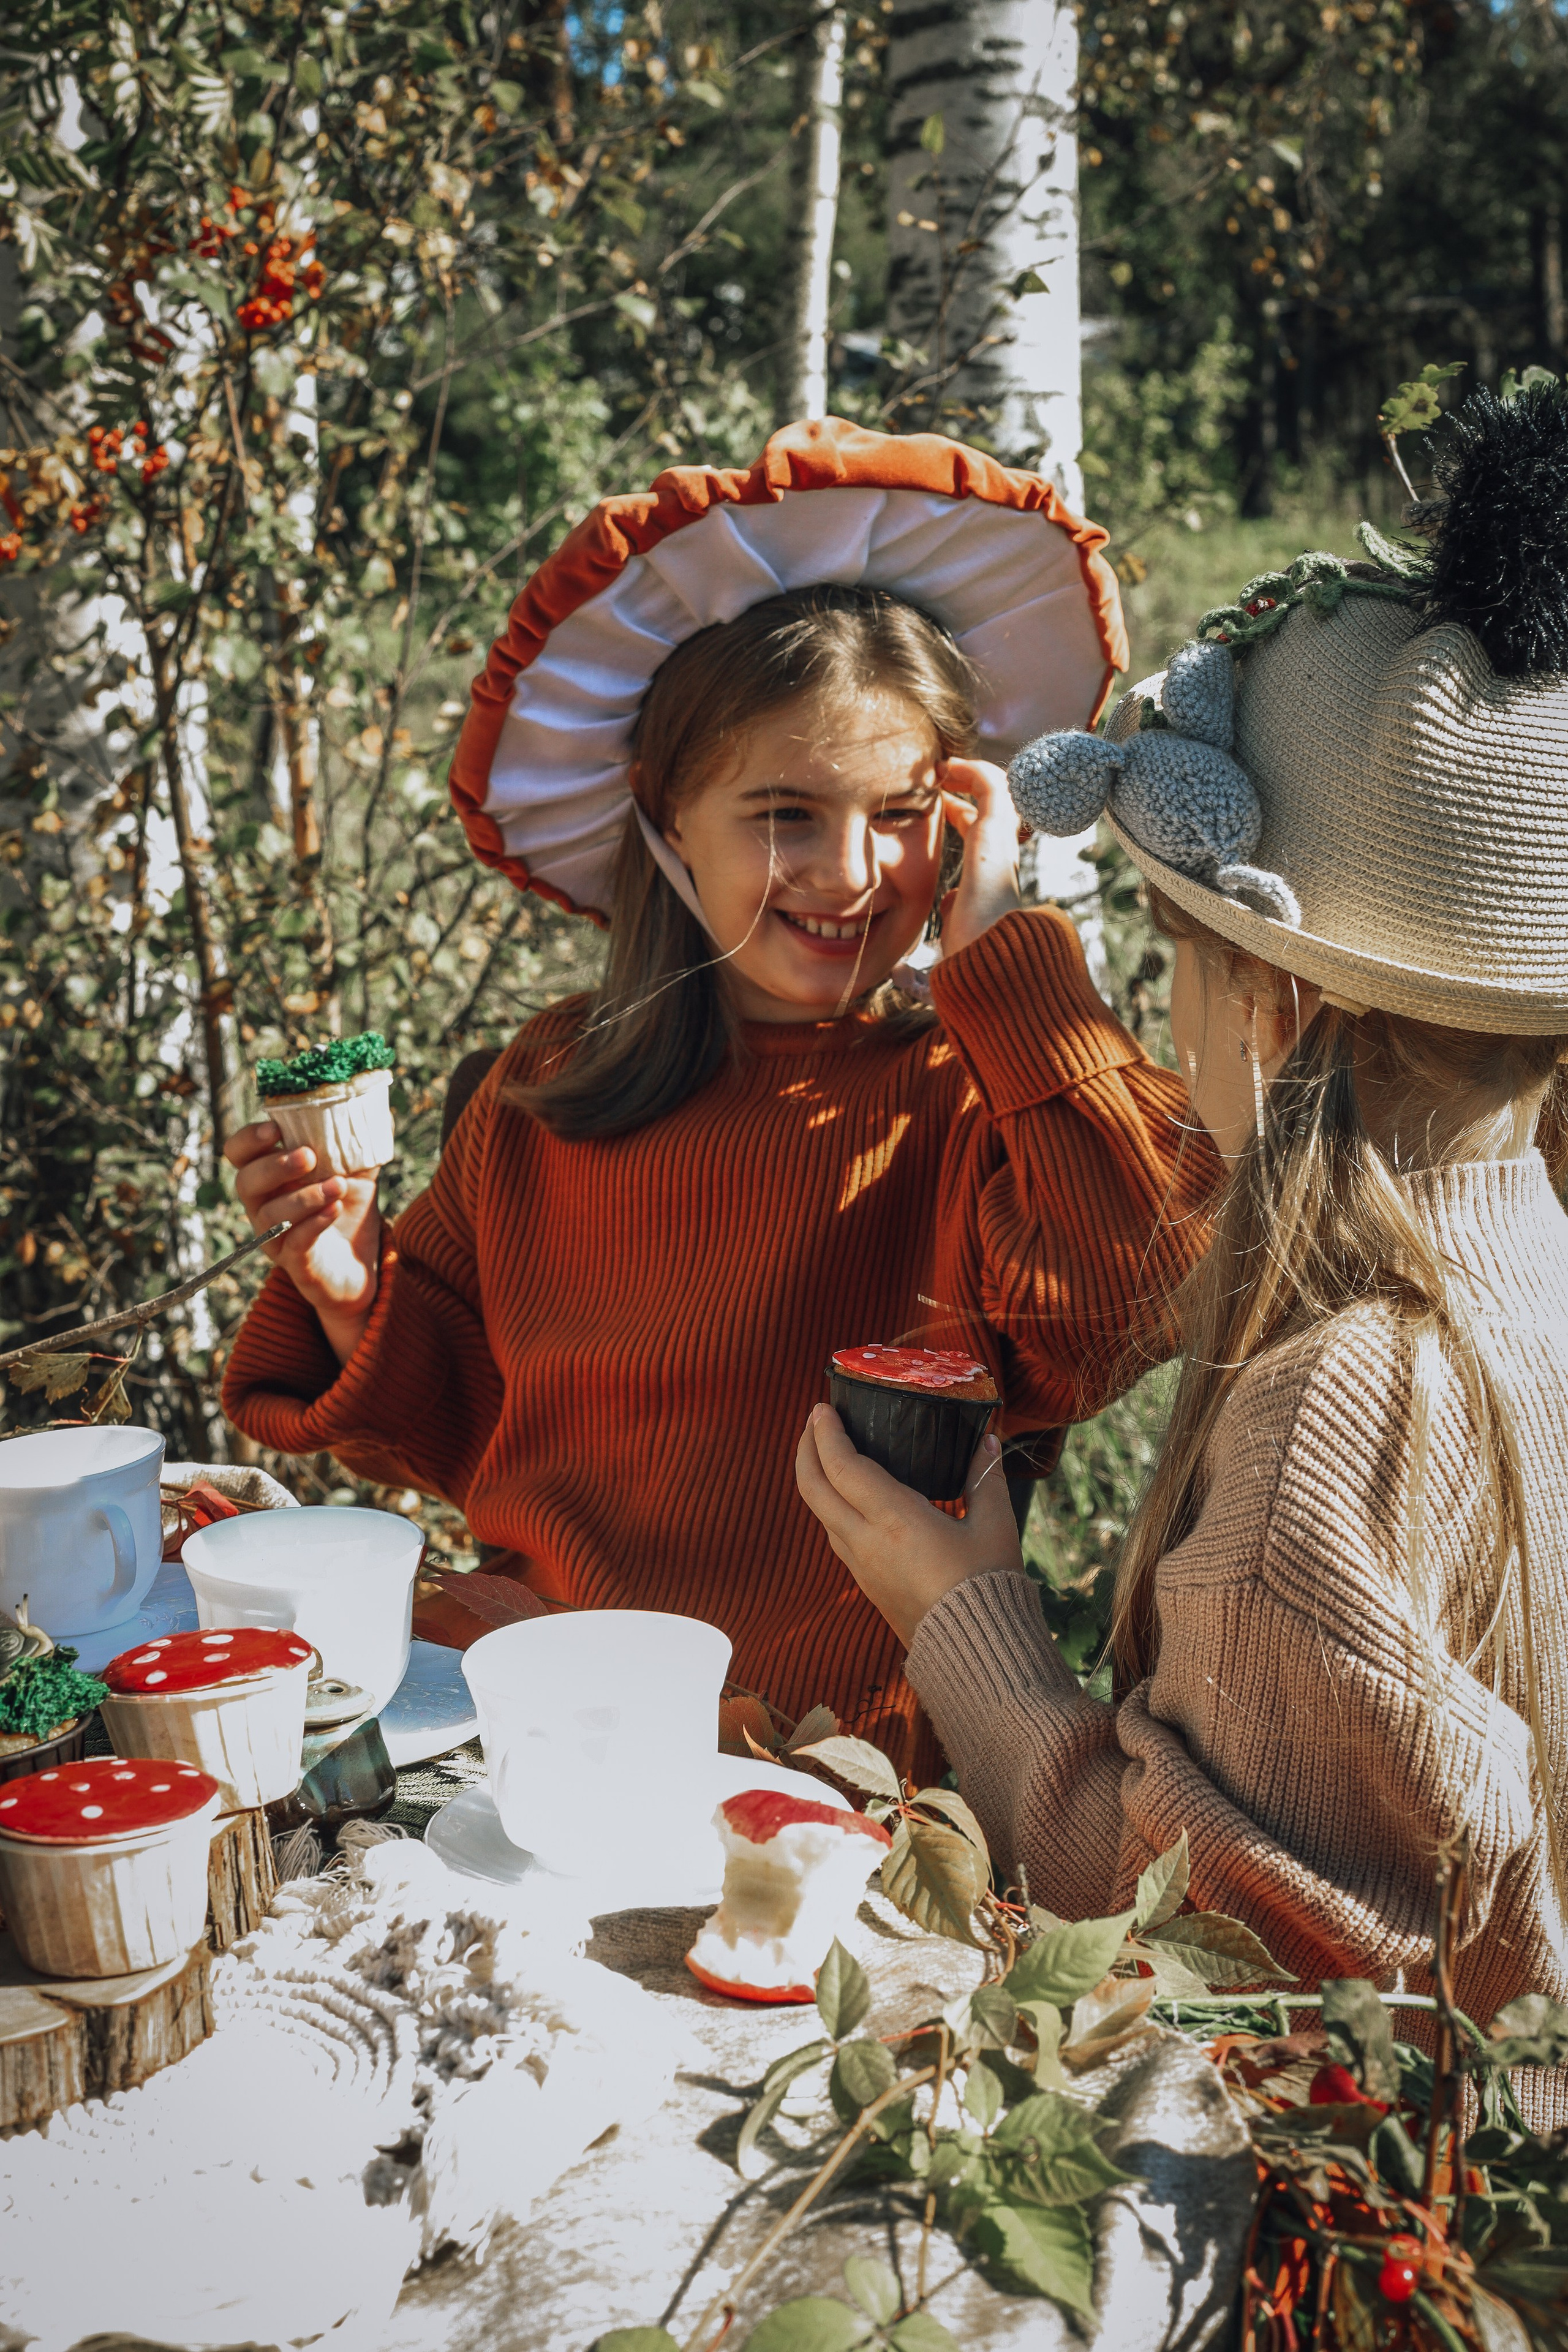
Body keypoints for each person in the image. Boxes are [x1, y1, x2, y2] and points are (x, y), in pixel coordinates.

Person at [221, 418, 1215, 1780]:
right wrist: (351, 1292)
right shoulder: (546, 1089)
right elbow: (474, 1429)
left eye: (900, 811)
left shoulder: (972, 1096)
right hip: (527, 1696)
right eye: (783, 814)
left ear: (965, 818)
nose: (851, 870)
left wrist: (1008, 976)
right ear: (662, 817)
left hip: (834, 1756)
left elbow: (1137, 1288)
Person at [796, 385, 1568, 2086]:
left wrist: (965, 1608)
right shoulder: (1535, 1263)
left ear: (1273, 1004)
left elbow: (1213, 1937)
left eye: (1178, 965)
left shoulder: (1343, 1413)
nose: (1173, 1012)